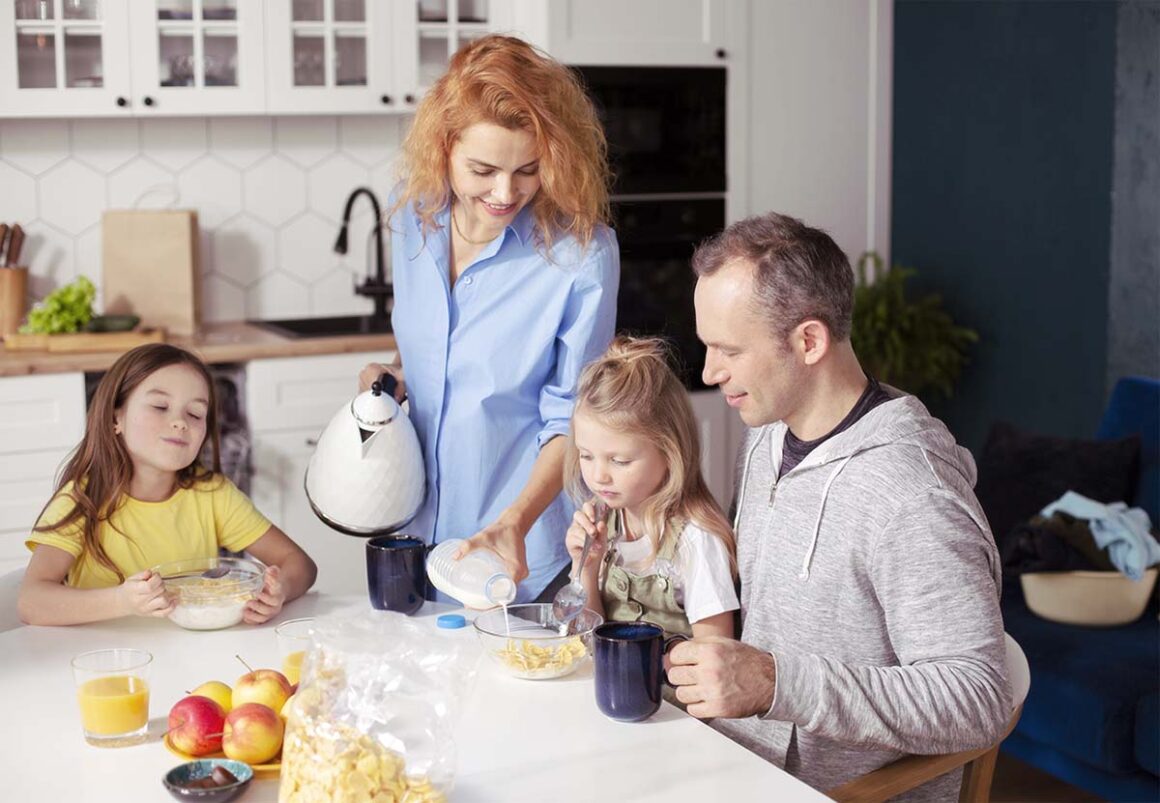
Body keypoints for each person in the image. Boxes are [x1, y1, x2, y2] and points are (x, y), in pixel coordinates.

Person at [666, 212, 1011, 799]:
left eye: (728, 349)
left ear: (808, 341)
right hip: (739, 764)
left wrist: (777, 683)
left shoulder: (912, 494)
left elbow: (977, 697)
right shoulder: (769, 434)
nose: (709, 371)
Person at [358, 35, 618, 603]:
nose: (506, 193)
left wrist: (515, 523)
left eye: (529, 169)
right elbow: (433, 357)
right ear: (444, 147)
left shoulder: (580, 255)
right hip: (414, 537)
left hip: (516, 553)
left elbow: (573, 420)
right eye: (483, 170)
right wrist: (397, 378)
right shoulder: (413, 218)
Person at [18, 344, 317, 626]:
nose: (179, 422)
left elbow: (299, 564)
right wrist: (122, 601)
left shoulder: (213, 495)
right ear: (115, 419)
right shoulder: (82, 500)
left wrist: (279, 591)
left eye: (195, 413)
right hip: (107, 665)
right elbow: (31, 602)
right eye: (160, 406)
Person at [562, 336, 738, 641]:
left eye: (619, 460)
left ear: (670, 453)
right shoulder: (605, 523)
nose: (599, 476)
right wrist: (585, 568)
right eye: (586, 455)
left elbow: (715, 654)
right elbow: (587, 640)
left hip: (672, 690)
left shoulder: (696, 540)